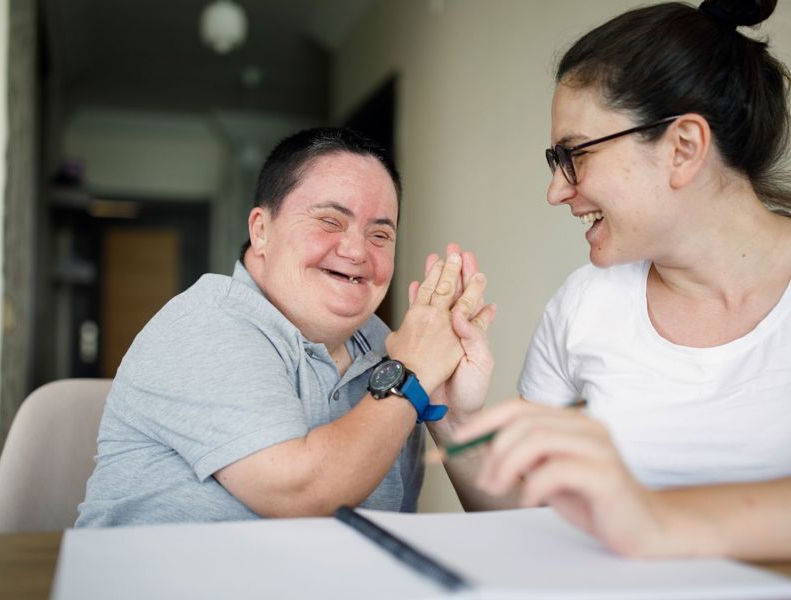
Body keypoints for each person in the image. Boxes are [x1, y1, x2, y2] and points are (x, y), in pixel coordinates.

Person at [447, 0, 791, 560]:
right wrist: (454, 416)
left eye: (575, 154)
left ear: (682, 148)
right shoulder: (584, 304)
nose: (556, 191)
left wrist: (655, 519)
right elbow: (525, 519)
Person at [76, 127, 494, 527]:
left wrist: (450, 416)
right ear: (261, 230)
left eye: (380, 234)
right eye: (330, 221)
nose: (356, 250)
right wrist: (410, 375)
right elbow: (302, 495)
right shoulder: (206, 324)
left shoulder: (392, 351)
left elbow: (413, 532)